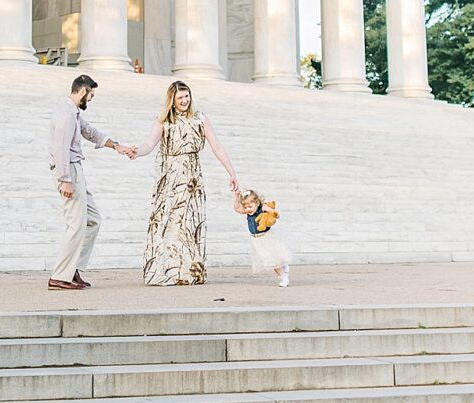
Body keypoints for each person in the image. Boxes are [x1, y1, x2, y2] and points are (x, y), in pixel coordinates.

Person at [131, 79, 239, 286]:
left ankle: (189, 271)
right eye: (180, 97)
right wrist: (137, 152)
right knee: (169, 221)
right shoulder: (163, 121)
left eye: (186, 96)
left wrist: (231, 172)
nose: (184, 100)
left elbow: (217, 147)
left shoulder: (200, 118)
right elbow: (150, 144)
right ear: (171, 100)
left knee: (189, 222)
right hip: (170, 177)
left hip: (191, 177)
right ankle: (166, 270)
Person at [46, 73, 135, 291]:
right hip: (69, 172)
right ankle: (60, 276)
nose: (91, 99)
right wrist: (64, 179)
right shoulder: (66, 114)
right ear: (83, 91)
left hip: (76, 172)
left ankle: (72, 268)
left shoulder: (73, 113)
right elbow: (60, 149)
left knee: (92, 220)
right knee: (76, 224)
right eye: (91, 94)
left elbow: (90, 132)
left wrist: (117, 146)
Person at [237, 188, 293, 287]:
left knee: (272, 260)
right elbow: (237, 209)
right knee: (270, 258)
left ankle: (283, 277)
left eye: (250, 206)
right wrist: (235, 197)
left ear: (257, 203)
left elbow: (275, 214)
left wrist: (268, 209)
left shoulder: (261, 208)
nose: (248, 209)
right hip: (257, 240)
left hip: (266, 237)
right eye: (245, 207)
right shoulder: (248, 213)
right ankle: (283, 266)